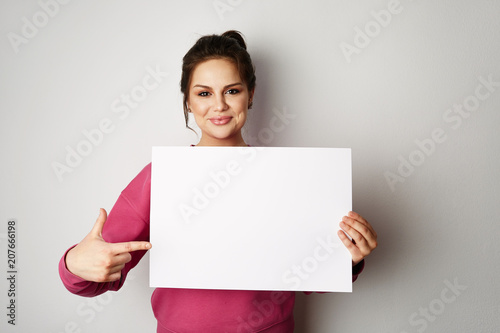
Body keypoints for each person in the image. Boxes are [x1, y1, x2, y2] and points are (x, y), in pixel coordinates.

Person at [59, 30, 378, 333]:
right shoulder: (161, 176)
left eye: (233, 91)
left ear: (250, 95)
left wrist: (345, 260)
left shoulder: (286, 176)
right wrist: (75, 263)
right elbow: (96, 274)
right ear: (188, 101)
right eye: (204, 93)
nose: (219, 105)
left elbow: (311, 279)